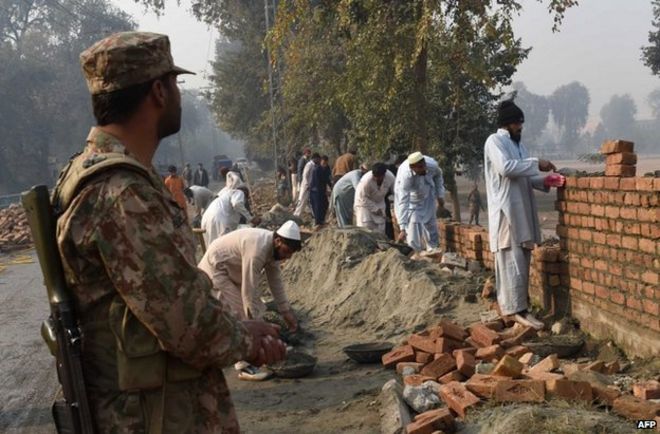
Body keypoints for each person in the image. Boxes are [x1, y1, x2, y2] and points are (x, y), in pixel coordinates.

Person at [52, 31, 285, 433]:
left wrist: (240, 329)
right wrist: (248, 341)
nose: (178, 93)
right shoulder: (122, 194)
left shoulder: (100, 176)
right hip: (151, 415)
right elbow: (187, 323)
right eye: (175, 83)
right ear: (158, 91)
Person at [485, 100, 565, 330]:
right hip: (506, 213)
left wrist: (544, 180)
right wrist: (537, 163)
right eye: (517, 124)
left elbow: (524, 175)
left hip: (521, 212)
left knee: (522, 260)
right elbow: (507, 168)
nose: (520, 128)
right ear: (508, 124)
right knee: (511, 261)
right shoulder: (495, 141)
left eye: (521, 124)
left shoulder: (518, 146)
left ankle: (521, 307)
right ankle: (513, 309)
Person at [394, 151, 446, 252]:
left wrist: (440, 196)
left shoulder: (432, 165)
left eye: (423, 166)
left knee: (431, 225)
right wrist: (402, 228)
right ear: (412, 167)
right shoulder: (406, 175)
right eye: (420, 168)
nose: (424, 169)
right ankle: (415, 254)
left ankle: (433, 251)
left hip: (427, 196)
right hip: (411, 202)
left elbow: (439, 176)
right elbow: (403, 200)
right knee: (413, 230)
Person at [201, 171, 259, 245]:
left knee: (211, 245)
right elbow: (237, 204)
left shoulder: (225, 193)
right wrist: (251, 219)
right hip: (219, 219)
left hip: (206, 217)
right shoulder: (238, 192)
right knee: (223, 245)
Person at [354, 163, 396, 233]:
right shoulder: (366, 181)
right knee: (366, 230)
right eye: (375, 176)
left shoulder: (390, 177)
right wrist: (375, 209)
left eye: (379, 177)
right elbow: (363, 198)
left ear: (384, 175)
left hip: (380, 203)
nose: (376, 179)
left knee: (380, 231)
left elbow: (396, 192)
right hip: (364, 205)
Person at [330, 163, 368, 227]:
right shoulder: (356, 175)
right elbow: (359, 189)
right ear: (362, 169)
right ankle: (344, 235)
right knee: (343, 219)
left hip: (347, 197)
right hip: (340, 195)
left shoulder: (363, 177)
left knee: (348, 217)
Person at [385, 154, 407, 239]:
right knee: (387, 222)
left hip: (386, 198)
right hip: (384, 198)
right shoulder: (394, 172)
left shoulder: (396, 170)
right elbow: (397, 193)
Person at [293, 152, 319, 217]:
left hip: (311, 186)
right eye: (318, 159)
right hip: (306, 186)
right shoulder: (309, 165)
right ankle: (296, 215)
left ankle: (315, 216)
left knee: (311, 201)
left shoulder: (314, 165)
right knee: (302, 200)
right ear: (315, 158)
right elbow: (305, 175)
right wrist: (307, 184)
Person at [309, 155, 332, 227]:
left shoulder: (327, 168)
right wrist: (325, 191)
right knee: (317, 207)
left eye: (326, 163)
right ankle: (317, 222)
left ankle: (321, 220)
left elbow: (327, 179)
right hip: (315, 191)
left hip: (322, 190)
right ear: (321, 162)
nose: (324, 164)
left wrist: (331, 187)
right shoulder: (316, 170)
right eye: (323, 162)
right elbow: (317, 182)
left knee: (325, 204)